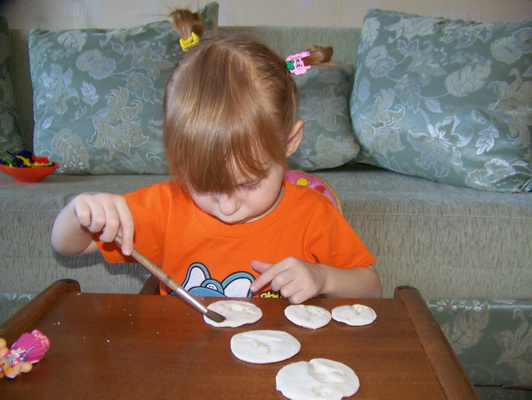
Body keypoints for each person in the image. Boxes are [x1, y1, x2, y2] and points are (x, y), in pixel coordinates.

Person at [51, 8, 381, 304]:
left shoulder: (312, 214)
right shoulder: (165, 207)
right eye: (205, 185)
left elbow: (371, 288)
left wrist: (323, 277)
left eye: (248, 183)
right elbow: (69, 246)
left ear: (290, 142)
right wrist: (81, 212)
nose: (227, 207)